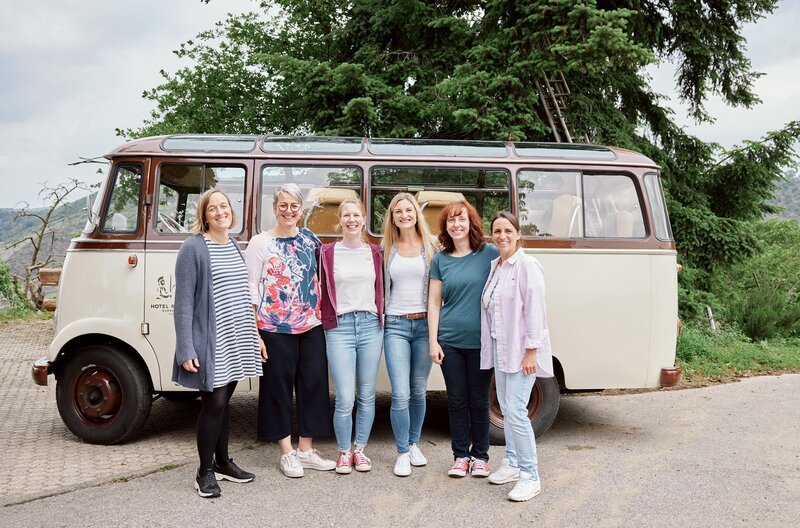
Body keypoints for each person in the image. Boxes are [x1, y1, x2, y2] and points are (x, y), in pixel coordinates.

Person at [172, 188, 266, 498]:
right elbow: (183, 302)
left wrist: (254, 335)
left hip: (236, 336)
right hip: (210, 341)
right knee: (213, 404)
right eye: (213, 208)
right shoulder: (193, 248)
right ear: (204, 215)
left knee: (224, 405)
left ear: (231, 212)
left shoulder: (236, 245)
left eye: (224, 206)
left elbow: (241, 296)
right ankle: (204, 472)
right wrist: (186, 347)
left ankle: (224, 462)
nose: (220, 212)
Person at [244, 183, 335, 478]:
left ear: (301, 210)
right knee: (277, 389)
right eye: (282, 205)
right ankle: (286, 452)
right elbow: (251, 288)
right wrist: (255, 332)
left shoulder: (310, 239)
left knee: (314, 386)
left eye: (294, 206)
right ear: (274, 208)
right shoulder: (260, 243)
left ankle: (306, 450)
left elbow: (321, 278)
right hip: (273, 326)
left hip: (310, 324)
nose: (288, 211)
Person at [481, 211, 554, 502]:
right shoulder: (496, 266)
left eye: (507, 230)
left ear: (518, 234)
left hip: (522, 351)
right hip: (502, 350)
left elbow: (535, 311)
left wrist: (532, 351)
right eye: (497, 231)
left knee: (516, 412)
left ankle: (530, 475)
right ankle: (511, 462)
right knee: (508, 408)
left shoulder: (527, 265)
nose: (502, 236)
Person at [428, 200, 499, 478]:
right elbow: (434, 303)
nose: (457, 225)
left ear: (471, 223)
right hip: (450, 342)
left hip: (482, 342)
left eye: (462, 220)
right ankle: (460, 456)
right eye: (451, 221)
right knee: (456, 400)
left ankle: (480, 456)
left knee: (479, 400)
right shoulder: (440, 260)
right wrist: (433, 341)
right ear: (445, 227)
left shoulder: (489, 253)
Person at [318, 198, 384, 474]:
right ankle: (343, 452)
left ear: (364, 219)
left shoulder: (377, 252)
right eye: (346, 215)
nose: (351, 220)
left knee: (367, 395)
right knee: (345, 397)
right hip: (340, 327)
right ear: (340, 220)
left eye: (356, 214)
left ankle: (360, 450)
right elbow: (319, 289)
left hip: (371, 325)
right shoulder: (327, 252)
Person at [381, 192, 439, 477]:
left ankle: (414, 443)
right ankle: (402, 451)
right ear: (392, 218)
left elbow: (440, 291)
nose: (404, 215)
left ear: (417, 213)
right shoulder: (386, 248)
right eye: (398, 211)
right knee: (400, 393)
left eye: (409, 210)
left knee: (418, 390)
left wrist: (436, 333)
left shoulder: (432, 247)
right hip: (395, 326)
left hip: (423, 326)